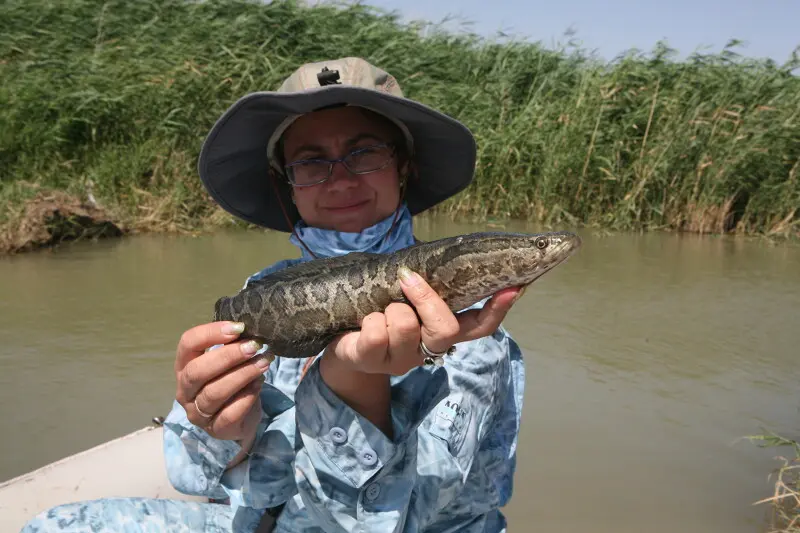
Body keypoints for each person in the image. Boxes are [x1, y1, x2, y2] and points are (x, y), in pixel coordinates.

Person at [21, 57, 526, 533]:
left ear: (405, 166)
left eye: (365, 152)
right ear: (286, 184)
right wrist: (220, 427)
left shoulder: (465, 322)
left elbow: (407, 515)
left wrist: (350, 383)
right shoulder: (261, 295)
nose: (341, 178)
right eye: (311, 163)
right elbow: (192, 474)